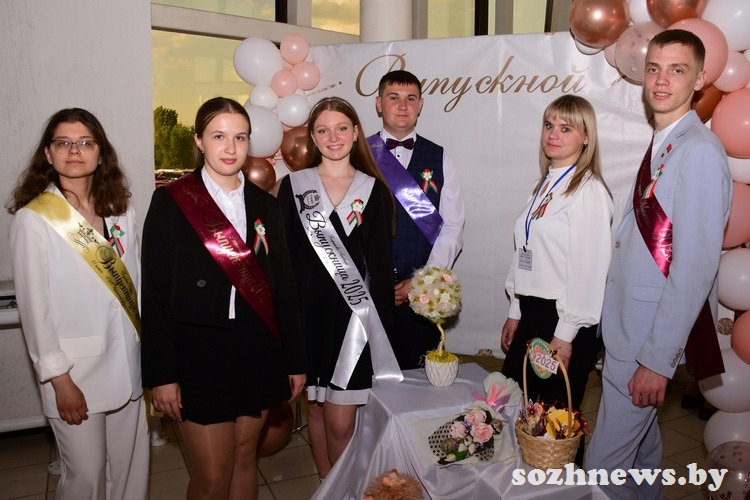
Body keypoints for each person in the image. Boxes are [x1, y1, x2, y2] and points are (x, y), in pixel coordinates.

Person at [585, 30, 732, 499]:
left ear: (700, 79)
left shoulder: (699, 151)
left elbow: (694, 268)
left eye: (677, 70)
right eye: (654, 69)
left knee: (601, 472)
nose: (661, 80)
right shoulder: (668, 142)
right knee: (641, 462)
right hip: (629, 330)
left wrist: (656, 361)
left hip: (645, 342)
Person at [140, 97, 306, 500]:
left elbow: (284, 287)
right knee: (213, 475)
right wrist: (161, 375)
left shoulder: (267, 205)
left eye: (240, 137)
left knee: (246, 458)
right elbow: (155, 294)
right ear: (199, 141)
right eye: (218, 136)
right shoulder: (172, 201)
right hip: (198, 350)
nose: (230, 148)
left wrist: (295, 361)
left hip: (257, 347)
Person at [7, 108, 148, 499]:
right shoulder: (34, 219)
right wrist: (59, 379)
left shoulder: (121, 212)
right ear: (48, 154)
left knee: (129, 474)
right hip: (75, 374)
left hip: (129, 367)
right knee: (84, 479)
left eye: (85, 142)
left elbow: (135, 288)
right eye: (63, 143)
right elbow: (34, 310)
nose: (74, 150)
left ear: (100, 154)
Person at [278, 96, 401, 480]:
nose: (333, 137)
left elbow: (379, 267)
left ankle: (345, 488)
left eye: (342, 128)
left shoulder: (373, 191)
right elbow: (282, 263)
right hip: (306, 318)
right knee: (315, 410)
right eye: (323, 130)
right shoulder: (293, 187)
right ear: (313, 137)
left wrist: (381, 331)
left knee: (340, 423)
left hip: (353, 323)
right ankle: (325, 483)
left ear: (356, 132)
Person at [500, 95, 613, 465]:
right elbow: (526, 252)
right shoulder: (544, 185)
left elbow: (589, 269)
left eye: (566, 128)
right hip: (533, 314)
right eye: (549, 125)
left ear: (586, 137)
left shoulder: (589, 190)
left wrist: (565, 335)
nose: (553, 134)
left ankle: (563, 487)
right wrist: (516, 309)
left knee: (555, 425)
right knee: (518, 412)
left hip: (563, 319)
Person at [367, 70, 465, 369]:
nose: (402, 106)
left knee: (418, 378)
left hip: (421, 296)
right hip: (367, 291)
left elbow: (452, 226)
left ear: (420, 105)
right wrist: (372, 281)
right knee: (367, 378)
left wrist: (423, 282)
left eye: (410, 99)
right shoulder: (359, 154)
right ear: (379, 103)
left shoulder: (440, 157)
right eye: (393, 98)